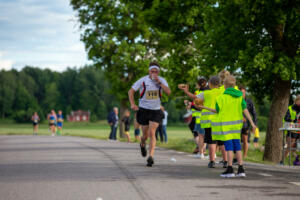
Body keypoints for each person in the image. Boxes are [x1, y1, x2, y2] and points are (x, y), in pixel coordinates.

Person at [200, 75, 256, 177]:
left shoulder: (221, 98)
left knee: (229, 148)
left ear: (224, 85)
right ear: (234, 85)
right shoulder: (239, 97)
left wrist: (204, 107)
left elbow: (216, 111)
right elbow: (245, 110)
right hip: (237, 126)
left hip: (226, 127)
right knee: (237, 147)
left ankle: (230, 169)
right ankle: (241, 169)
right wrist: (252, 123)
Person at [128, 61, 171, 167]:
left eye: (156, 72)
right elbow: (131, 91)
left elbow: (168, 92)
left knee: (152, 133)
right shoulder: (143, 80)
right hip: (143, 110)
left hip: (156, 111)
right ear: (149, 71)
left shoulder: (162, 80)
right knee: (145, 135)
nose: (154, 73)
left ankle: (150, 156)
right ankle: (142, 143)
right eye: (152, 71)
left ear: (158, 72)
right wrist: (133, 104)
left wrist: (159, 82)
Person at [180, 76, 227, 168]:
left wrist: (186, 91)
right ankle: (225, 161)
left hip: (209, 121)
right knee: (222, 141)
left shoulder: (206, 93)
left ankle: (212, 161)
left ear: (210, 84)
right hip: (220, 120)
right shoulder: (223, 92)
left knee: (211, 141)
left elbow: (194, 97)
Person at [239, 85, 257, 158]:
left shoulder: (249, 102)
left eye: (243, 92)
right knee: (236, 140)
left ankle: (245, 156)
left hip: (246, 124)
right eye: (240, 93)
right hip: (236, 123)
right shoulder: (236, 100)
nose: (242, 94)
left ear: (245, 92)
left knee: (245, 140)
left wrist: (254, 124)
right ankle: (236, 156)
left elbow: (254, 113)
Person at [283, 95, 300, 159]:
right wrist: (292, 119)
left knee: (295, 147)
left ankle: (296, 159)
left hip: (298, 130)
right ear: (296, 100)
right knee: (289, 146)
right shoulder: (291, 108)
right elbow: (286, 118)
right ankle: (283, 160)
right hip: (292, 129)